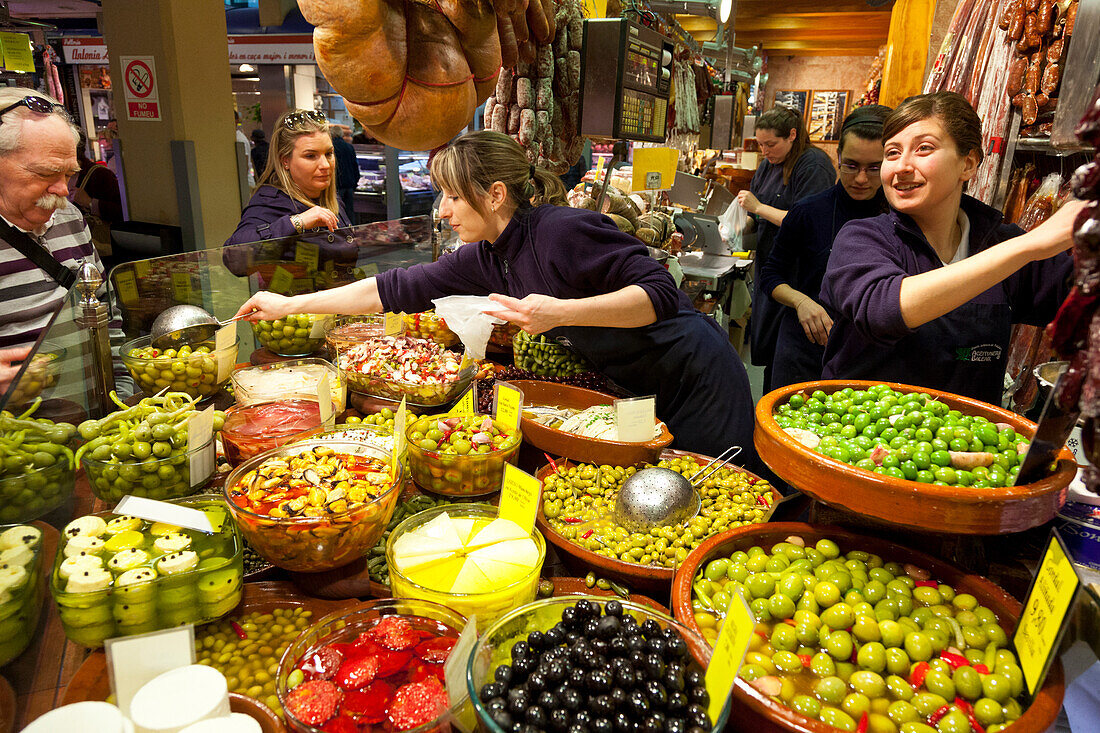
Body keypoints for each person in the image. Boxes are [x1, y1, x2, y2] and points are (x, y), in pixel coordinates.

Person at [234, 130, 760, 467]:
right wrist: (288, 305)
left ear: (496, 195)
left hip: (696, 373)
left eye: (454, 195)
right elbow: (391, 289)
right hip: (639, 381)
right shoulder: (486, 252)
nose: (443, 210)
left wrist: (559, 313)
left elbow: (661, 292)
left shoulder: (562, 231)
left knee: (712, 489)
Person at [820, 91, 1084, 405]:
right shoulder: (862, 238)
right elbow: (884, 310)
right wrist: (1029, 245)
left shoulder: (998, 241)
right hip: (859, 446)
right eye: (892, 153)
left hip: (965, 447)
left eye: (923, 149)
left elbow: (1080, 301)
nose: (902, 166)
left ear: (968, 163)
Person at [0, 89, 129, 392]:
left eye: (69, 174)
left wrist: (121, 390)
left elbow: (105, 312)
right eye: (46, 173)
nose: (63, 190)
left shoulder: (69, 216)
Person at [758, 105, 892, 388]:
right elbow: (771, 276)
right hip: (803, 347)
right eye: (851, 165)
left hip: (868, 357)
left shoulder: (898, 218)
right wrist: (801, 301)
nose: (860, 179)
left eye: (874, 168)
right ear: (839, 156)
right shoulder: (808, 211)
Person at [737, 105, 835, 392]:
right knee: (770, 355)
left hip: (799, 275)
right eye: (760, 144)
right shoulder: (769, 164)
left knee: (790, 359)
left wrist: (759, 208)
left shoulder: (813, 165)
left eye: (771, 144)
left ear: (792, 135)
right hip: (772, 268)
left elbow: (807, 222)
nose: (765, 151)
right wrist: (742, 224)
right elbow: (756, 214)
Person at [225, 109, 352, 246]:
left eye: (328, 154)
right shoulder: (269, 202)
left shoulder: (331, 199)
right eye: (310, 156)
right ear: (285, 160)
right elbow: (232, 252)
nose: (325, 165)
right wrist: (297, 222)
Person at [332, 124, 359, 226]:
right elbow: (355, 165)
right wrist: (355, 182)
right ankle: (352, 232)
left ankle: (342, 234)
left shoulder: (331, 148)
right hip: (349, 184)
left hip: (338, 185)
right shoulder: (349, 147)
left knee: (338, 213)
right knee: (350, 212)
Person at [234, 110, 255, 187]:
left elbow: (244, 164)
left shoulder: (239, 139)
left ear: (236, 121)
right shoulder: (236, 137)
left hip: (246, 183)